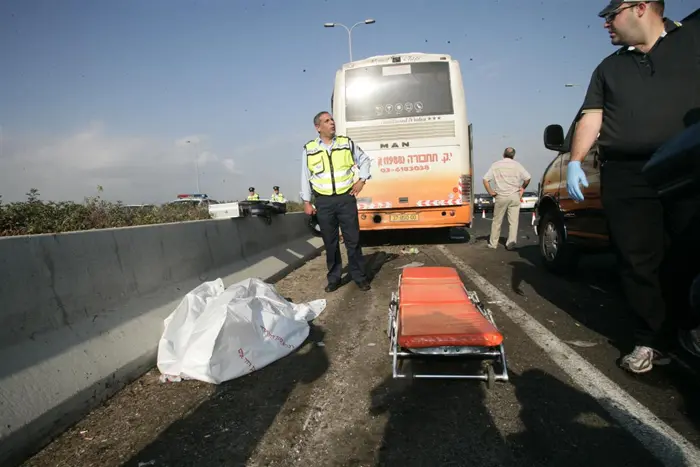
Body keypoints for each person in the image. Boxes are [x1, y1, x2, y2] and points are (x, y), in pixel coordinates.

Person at [567, 1, 700, 373]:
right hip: (628, 173)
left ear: (641, 8)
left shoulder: (692, 40)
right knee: (637, 259)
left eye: (611, 15)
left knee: (688, 250)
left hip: (687, 165)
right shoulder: (608, 68)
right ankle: (651, 340)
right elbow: (592, 116)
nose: (605, 23)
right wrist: (576, 160)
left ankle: (688, 324)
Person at [300, 111, 371, 292]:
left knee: (352, 241)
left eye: (332, 119)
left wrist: (362, 180)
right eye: (327, 121)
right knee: (330, 243)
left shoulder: (346, 144)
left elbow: (365, 160)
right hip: (323, 203)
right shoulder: (309, 149)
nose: (332, 122)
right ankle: (334, 278)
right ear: (318, 127)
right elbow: (305, 176)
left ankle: (359, 276)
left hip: (345, 199)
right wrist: (307, 201)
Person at [482, 147, 531, 250]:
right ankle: (510, 244)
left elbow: (485, 179)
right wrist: (522, 188)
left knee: (497, 221)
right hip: (514, 196)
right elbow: (527, 178)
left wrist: (491, 192)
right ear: (513, 155)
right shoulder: (517, 165)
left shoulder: (496, 165)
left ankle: (493, 243)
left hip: (501, 196)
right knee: (513, 222)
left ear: (503, 154)